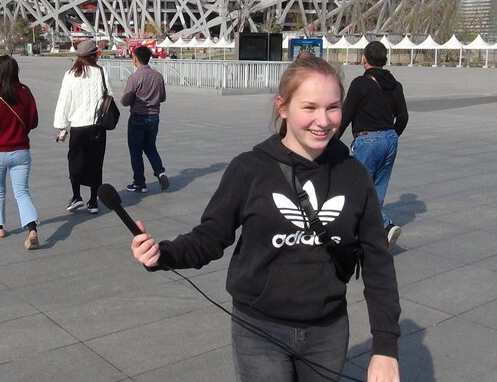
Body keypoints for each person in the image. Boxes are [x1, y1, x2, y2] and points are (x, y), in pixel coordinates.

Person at [131, 57, 401, 382]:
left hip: (327, 330)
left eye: (332, 107)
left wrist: (385, 348)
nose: (323, 120)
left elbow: (378, 262)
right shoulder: (250, 169)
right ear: (283, 107)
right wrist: (163, 254)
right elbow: (211, 237)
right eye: (310, 107)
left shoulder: (353, 174)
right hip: (259, 329)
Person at [339, 41, 408, 251]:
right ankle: (370, 235)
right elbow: (403, 117)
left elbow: (346, 114)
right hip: (390, 138)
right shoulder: (396, 85)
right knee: (377, 188)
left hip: (367, 139)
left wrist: (331, 142)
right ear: (385, 60)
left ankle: (385, 226)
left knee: (358, 187)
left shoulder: (360, 83)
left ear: (364, 59)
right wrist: (391, 135)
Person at [0, 55, 41, 250]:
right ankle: (32, 229)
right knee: (22, 192)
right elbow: (34, 122)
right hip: (21, 150)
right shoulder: (25, 92)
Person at [53, 39, 110, 214]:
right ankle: (93, 201)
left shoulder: (70, 75)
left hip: (77, 126)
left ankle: (76, 196)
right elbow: (109, 96)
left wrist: (62, 128)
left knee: (75, 162)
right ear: (94, 55)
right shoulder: (101, 72)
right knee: (95, 163)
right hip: (96, 126)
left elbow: (64, 102)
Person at [121, 45, 169, 193]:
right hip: (154, 117)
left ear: (135, 59)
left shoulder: (134, 77)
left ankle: (139, 183)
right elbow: (163, 98)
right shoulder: (158, 76)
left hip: (138, 117)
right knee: (150, 147)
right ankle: (160, 172)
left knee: (136, 151)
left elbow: (125, 101)